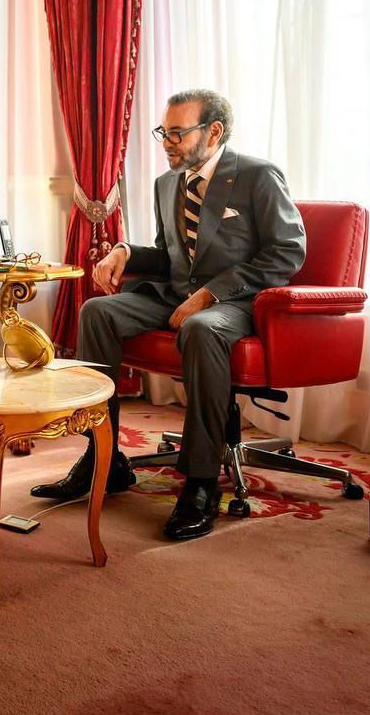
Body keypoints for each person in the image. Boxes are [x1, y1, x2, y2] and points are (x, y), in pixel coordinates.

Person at [31, 89, 306, 540]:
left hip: (237, 303)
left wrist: (212, 294)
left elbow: (287, 251)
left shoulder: (257, 175)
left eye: (177, 133)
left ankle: (201, 482)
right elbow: (168, 256)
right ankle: (103, 457)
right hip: (176, 295)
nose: (166, 143)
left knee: (201, 328)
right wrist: (125, 251)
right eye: (164, 132)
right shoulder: (167, 184)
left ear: (213, 131)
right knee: (97, 312)